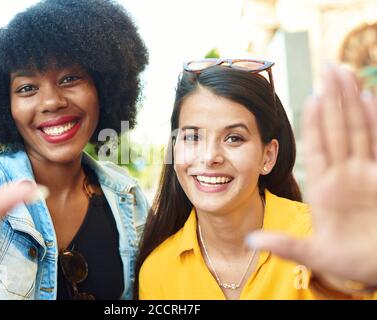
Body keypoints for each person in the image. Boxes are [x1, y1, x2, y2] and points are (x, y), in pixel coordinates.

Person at [0, 0, 149, 300]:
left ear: (103, 87)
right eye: (27, 88)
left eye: (70, 78)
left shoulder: (128, 196)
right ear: (5, 106)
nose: (51, 102)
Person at [136, 59, 377, 299]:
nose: (210, 157)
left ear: (268, 155)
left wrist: (352, 284)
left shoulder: (322, 237)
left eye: (234, 138)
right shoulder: (158, 271)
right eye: (193, 137)